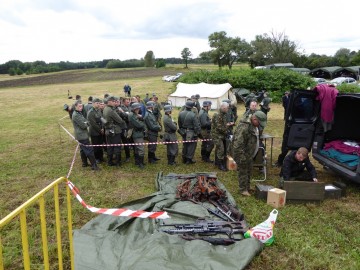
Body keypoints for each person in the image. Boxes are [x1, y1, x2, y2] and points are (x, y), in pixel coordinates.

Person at [231, 111, 267, 196]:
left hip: (249, 154)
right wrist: (242, 157)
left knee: (249, 171)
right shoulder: (244, 127)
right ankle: (243, 190)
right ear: (254, 119)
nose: (259, 125)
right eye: (259, 122)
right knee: (243, 171)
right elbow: (237, 145)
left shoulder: (253, 125)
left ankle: (247, 187)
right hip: (242, 154)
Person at [71, 100, 100, 171]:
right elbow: (84, 125)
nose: (81, 107)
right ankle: (94, 166)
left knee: (82, 150)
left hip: (81, 135)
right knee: (89, 150)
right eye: (79, 106)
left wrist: (86, 122)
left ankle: (84, 163)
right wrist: (87, 123)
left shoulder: (78, 113)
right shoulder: (76, 115)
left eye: (82, 106)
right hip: (82, 135)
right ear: (75, 107)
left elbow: (85, 120)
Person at [103, 96, 126, 166]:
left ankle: (109, 162)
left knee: (110, 147)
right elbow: (120, 120)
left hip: (108, 130)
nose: (114, 102)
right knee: (117, 147)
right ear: (109, 102)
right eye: (113, 101)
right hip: (115, 131)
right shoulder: (111, 110)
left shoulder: (105, 108)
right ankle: (117, 162)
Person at [211, 102, 231, 171]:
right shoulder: (217, 115)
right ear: (223, 108)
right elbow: (219, 127)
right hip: (216, 135)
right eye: (227, 108)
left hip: (221, 134)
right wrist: (227, 129)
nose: (228, 109)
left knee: (218, 148)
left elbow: (223, 124)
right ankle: (220, 164)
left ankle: (217, 161)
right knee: (221, 149)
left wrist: (227, 125)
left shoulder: (223, 114)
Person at [128, 102, 146, 169]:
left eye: (138, 108)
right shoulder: (132, 115)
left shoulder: (134, 114)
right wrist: (142, 121)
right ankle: (140, 163)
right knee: (141, 148)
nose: (138, 110)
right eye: (137, 109)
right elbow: (139, 125)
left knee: (137, 148)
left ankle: (137, 161)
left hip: (137, 133)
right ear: (134, 109)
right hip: (137, 133)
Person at [87, 98, 105, 163]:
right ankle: (97, 158)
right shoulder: (90, 112)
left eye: (99, 103)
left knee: (100, 145)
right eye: (97, 103)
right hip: (94, 132)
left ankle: (101, 157)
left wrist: (103, 127)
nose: (98, 104)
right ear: (93, 103)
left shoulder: (99, 110)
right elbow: (93, 124)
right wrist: (100, 130)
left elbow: (102, 119)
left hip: (100, 130)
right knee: (96, 146)